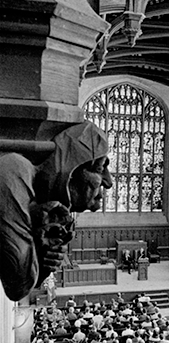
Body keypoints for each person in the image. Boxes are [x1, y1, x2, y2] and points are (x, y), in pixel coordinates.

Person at [0, 121, 112, 301]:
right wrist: (37, 243)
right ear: (72, 169)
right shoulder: (15, 170)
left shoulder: (39, 198)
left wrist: (44, 261)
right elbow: (18, 287)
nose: (108, 181)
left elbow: (29, 283)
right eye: (99, 168)